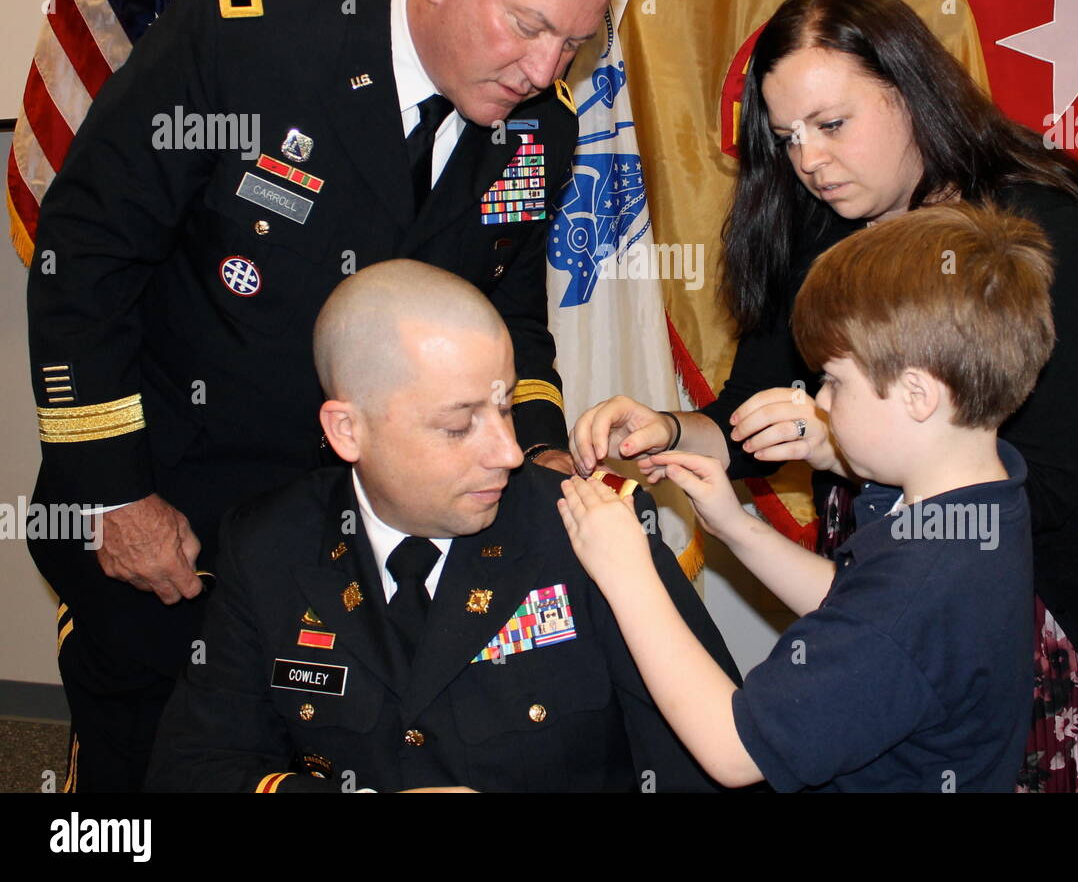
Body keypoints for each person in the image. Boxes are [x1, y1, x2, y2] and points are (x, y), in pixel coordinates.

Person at [27, 0, 617, 792]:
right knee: (147, 780)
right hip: (175, 530)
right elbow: (85, 252)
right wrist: (111, 491)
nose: (547, 69)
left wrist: (537, 449)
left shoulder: (534, 133)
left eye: (575, 44)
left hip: (364, 553)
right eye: (528, 25)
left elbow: (509, 311)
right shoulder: (245, 41)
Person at [570, 0, 1078, 793]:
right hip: (898, 546)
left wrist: (833, 444)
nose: (808, 161)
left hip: (1040, 586)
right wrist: (668, 433)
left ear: (911, 93)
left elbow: (1038, 490)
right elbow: (749, 417)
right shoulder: (820, 218)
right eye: (788, 137)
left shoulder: (1036, 231)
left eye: (832, 124)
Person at [147, 260, 737, 793]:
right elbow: (193, 768)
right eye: (459, 426)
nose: (509, 452)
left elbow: (709, 770)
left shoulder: (594, 530)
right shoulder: (269, 544)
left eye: (505, 409)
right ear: (347, 430)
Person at [560, 203, 1052, 791]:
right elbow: (852, 603)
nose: (819, 400)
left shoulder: (918, 589)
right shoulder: (985, 496)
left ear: (918, 394)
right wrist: (736, 527)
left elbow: (733, 749)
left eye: (836, 381)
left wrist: (626, 572)